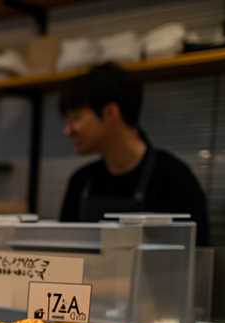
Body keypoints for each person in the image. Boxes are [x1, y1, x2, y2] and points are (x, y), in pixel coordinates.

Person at [58, 63, 209, 245]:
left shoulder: (174, 178)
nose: (68, 130)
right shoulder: (81, 181)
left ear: (110, 113)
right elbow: (64, 254)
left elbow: (195, 256)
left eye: (75, 118)